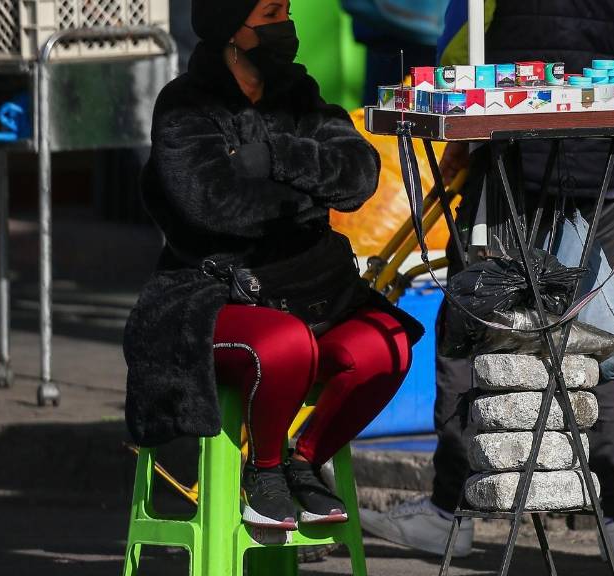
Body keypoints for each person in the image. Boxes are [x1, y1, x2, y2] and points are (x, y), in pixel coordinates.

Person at [361, 0, 614, 562]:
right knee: (608, 331)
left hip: (514, 151)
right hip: (611, 154)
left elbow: (461, 46)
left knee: (475, 323)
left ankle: (452, 509)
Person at [123, 0, 423, 531]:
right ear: (230, 31)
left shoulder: (299, 94)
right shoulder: (185, 106)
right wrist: (308, 197)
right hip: (212, 292)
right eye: (270, 14)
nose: (286, 27)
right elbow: (213, 206)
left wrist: (275, 160)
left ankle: (301, 461)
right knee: (286, 345)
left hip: (310, 287)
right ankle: (260, 476)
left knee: (388, 344)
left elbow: (359, 175)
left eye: (285, 11)